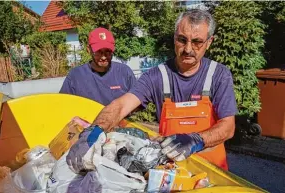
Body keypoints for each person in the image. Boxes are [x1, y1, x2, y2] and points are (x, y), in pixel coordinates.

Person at [66, 9, 237, 172]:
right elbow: (121, 105)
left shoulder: (219, 75)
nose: (188, 49)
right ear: (174, 38)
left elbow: (228, 127)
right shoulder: (157, 76)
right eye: (182, 40)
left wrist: (197, 140)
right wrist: (94, 132)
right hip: (170, 172)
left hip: (213, 172)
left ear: (209, 42)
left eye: (197, 42)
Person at [60, 27, 136, 106]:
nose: (103, 57)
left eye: (107, 51)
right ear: (89, 50)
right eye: (98, 52)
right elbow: (64, 105)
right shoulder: (76, 76)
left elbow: (136, 103)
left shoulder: (124, 72)